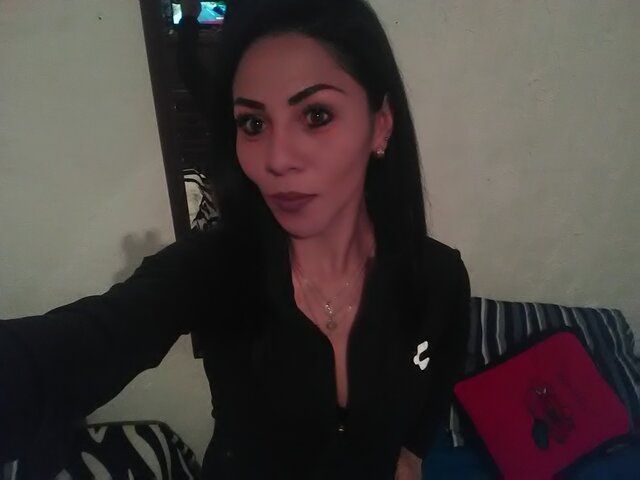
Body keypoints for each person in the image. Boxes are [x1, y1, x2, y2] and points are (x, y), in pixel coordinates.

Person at [0, 0, 471, 478]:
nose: (276, 159)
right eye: (253, 123)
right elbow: (73, 351)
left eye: (316, 115)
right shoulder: (214, 270)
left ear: (381, 124)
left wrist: (413, 451)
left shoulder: (439, 277)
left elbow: (443, 367)